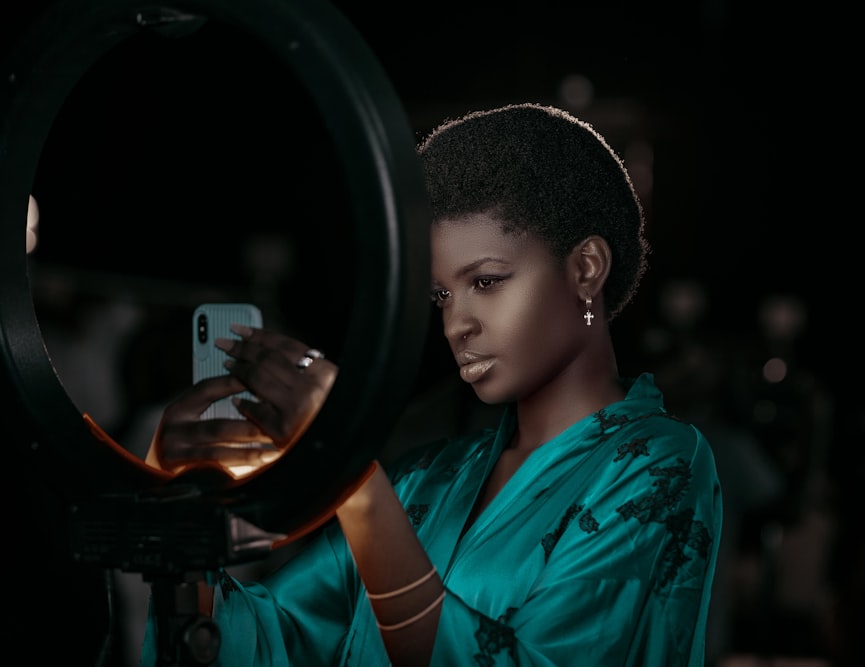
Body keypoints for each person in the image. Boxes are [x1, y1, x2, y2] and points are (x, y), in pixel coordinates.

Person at [141, 102, 723, 666]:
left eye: (488, 281)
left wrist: (356, 476)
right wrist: (178, 511)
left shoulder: (660, 466)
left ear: (586, 268)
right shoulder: (426, 478)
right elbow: (258, 641)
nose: (454, 324)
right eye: (441, 295)